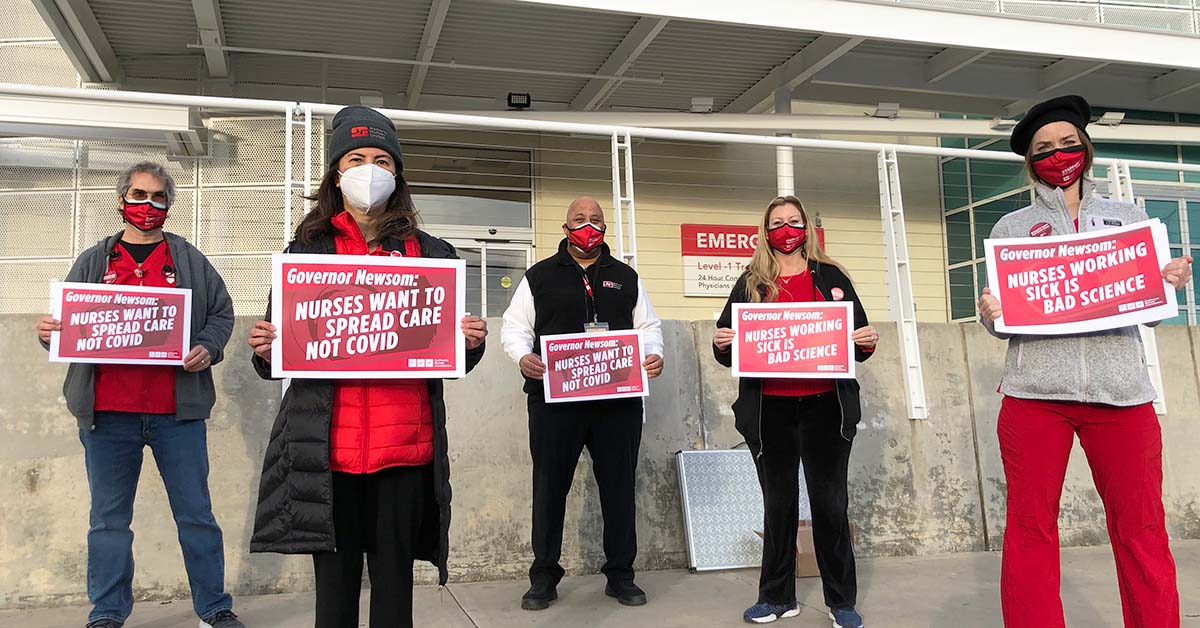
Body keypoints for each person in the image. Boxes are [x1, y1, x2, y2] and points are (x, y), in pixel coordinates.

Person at [245, 106, 488, 628]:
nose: (369, 169)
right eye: (356, 158)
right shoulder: (306, 251)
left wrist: (469, 343)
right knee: (333, 598)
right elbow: (277, 349)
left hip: (403, 450)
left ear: (397, 174)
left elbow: (449, 352)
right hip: (326, 451)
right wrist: (265, 349)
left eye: (382, 159)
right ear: (337, 171)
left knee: (394, 592)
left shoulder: (432, 254)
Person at [977, 95, 1190, 628]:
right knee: (1030, 530)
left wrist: (1165, 288)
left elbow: (1149, 316)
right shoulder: (1012, 228)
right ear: (1030, 160)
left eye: (1068, 143)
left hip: (1122, 395)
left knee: (1141, 529)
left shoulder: (1129, 218)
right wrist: (991, 313)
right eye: (1044, 148)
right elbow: (1006, 320)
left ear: (1086, 148)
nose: (1058, 154)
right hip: (1034, 398)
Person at [34, 162, 242, 628]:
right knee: (108, 522)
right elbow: (66, 326)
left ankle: (214, 607)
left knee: (196, 516)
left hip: (177, 414)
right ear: (121, 199)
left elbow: (222, 315)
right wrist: (50, 334)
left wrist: (208, 348)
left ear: (169, 205)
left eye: (157, 198)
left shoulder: (189, 260)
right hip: (107, 416)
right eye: (138, 195)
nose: (146, 206)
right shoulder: (94, 261)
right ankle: (107, 612)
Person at [711, 195, 876, 627]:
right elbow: (727, 349)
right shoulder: (750, 282)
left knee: (830, 506)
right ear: (766, 233)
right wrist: (721, 343)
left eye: (794, 221)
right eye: (777, 223)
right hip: (771, 413)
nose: (786, 230)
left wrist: (867, 341)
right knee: (778, 505)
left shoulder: (833, 277)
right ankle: (776, 597)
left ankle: (841, 602)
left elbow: (857, 337)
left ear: (806, 228)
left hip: (827, 408)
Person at [500, 196, 664, 610]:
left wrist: (653, 353)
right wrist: (523, 357)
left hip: (617, 403)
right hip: (555, 404)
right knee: (550, 488)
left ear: (605, 228)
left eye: (595, 220)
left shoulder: (626, 277)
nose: (587, 226)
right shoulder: (538, 277)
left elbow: (648, 327)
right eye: (579, 219)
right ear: (564, 227)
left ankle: (621, 576)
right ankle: (544, 577)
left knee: (619, 488)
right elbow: (515, 329)